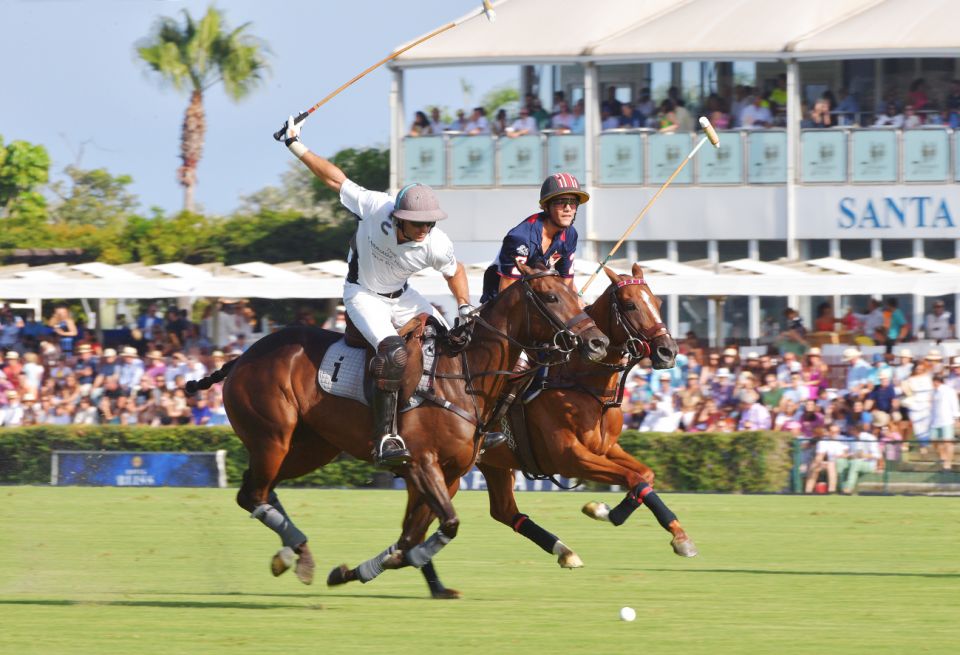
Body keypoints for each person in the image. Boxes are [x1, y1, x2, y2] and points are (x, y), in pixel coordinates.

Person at [281, 114, 472, 468]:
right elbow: (333, 178)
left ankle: (473, 422)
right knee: (394, 354)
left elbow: (455, 271)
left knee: (455, 344)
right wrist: (295, 145)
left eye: (430, 223)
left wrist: (463, 306)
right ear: (398, 216)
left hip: (402, 296)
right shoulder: (374, 207)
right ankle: (385, 437)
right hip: (363, 295)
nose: (424, 229)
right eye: (418, 223)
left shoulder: (435, 242)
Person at [480, 172, 588, 303]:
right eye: (560, 202)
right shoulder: (520, 238)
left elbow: (567, 282)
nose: (568, 208)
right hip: (500, 303)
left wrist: (577, 303)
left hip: (536, 297)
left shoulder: (570, 234)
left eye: (573, 203)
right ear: (545, 206)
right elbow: (507, 293)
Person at [930, 374, 959, 470]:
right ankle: (943, 457)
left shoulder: (949, 391)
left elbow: (954, 404)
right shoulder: (933, 392)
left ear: (937, 381)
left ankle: (948, 462)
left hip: (947, 420)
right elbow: (933, 407)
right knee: (934, 441)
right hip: (935, 421)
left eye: (934, 381)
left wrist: (956, 418)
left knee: (948, 442)